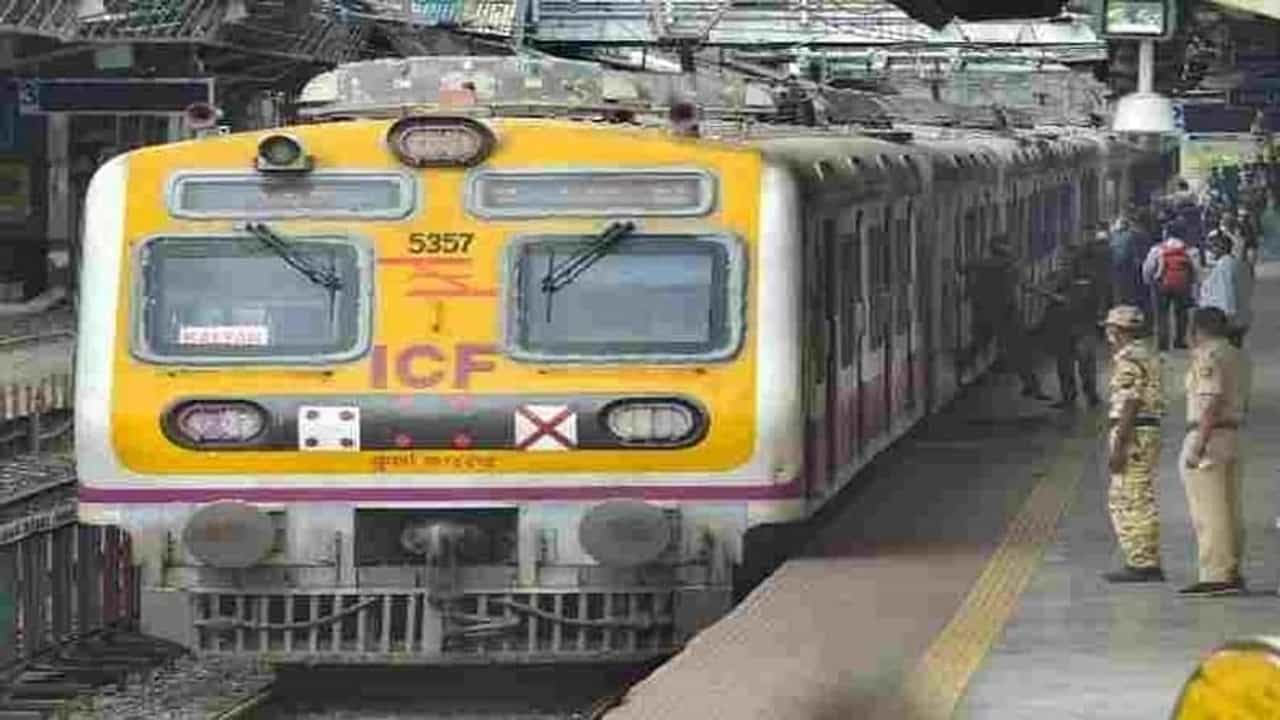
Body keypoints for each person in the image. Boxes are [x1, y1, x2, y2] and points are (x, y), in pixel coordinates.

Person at [1178, 307, 1246, 596]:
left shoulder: (1209, 356)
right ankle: (1231, 569)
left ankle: (1217, 574)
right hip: (1232, 435)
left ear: (1197, 329)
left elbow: (1211, 404)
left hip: (1210, 437)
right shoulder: (1237, 355)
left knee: (1209, 510)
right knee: (1230, 508)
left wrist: (1198, 446)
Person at [1102, 305, 1165, 583]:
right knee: (1132, 494)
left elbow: (1131, 401)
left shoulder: (1129, 358)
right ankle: (1141, 558)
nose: (1108, 333)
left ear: (1119, 331)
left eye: (1110, 328)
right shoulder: (1147, 353)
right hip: (1143, 431)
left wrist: (1119, 446)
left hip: (1134, 433)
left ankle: (1143, 563)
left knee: (1133, 497)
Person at [1142, 221, 1198, 350]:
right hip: (1183, 285)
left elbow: (1148, 268)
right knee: (1182, 313)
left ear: (1167, 233)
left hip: (1161, 285)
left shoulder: (1157, 249)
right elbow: (1196, 271)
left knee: (1161, 314)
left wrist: (1149, 281)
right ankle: (1180, 340)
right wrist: (1193, 285)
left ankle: (1162, 343)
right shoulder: (1191, 250)